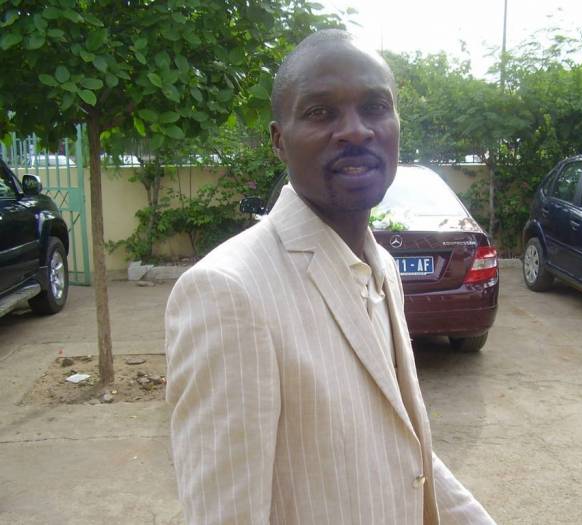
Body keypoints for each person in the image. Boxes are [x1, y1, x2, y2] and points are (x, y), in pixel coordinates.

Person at [165, 29, 495, 525]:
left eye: (375, 107)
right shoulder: (228, 292)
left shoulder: (382, 268)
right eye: (321, 112)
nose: (356, 131)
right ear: (279, 140)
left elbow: (407, 453)